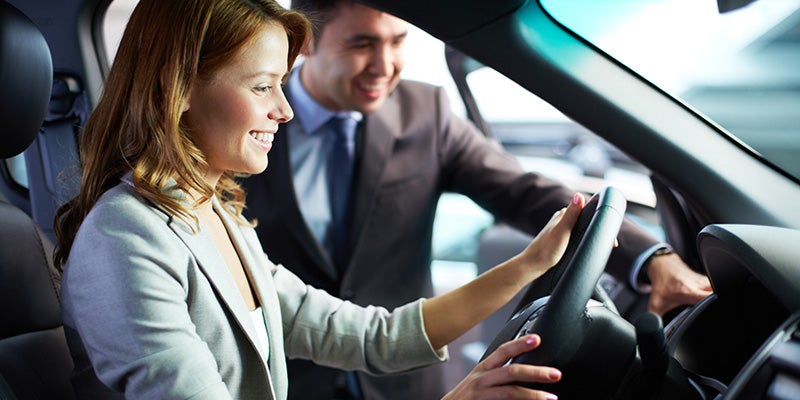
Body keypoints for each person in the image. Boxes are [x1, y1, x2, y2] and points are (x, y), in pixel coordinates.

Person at [53, 0, 584, 399]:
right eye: (262, 87)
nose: (284, 110)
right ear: (180, 89)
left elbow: (375, 337)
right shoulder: (123, 239)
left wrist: (530, 265)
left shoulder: (216, 215)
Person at [239, 0, 715, 399]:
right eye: (362, 43)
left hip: (404, 377)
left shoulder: (427, 112)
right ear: (306, 43)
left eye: (398, 41)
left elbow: (524, 190)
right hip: (287, 379)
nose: (384, 65)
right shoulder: (246, 126)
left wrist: (652, 257)